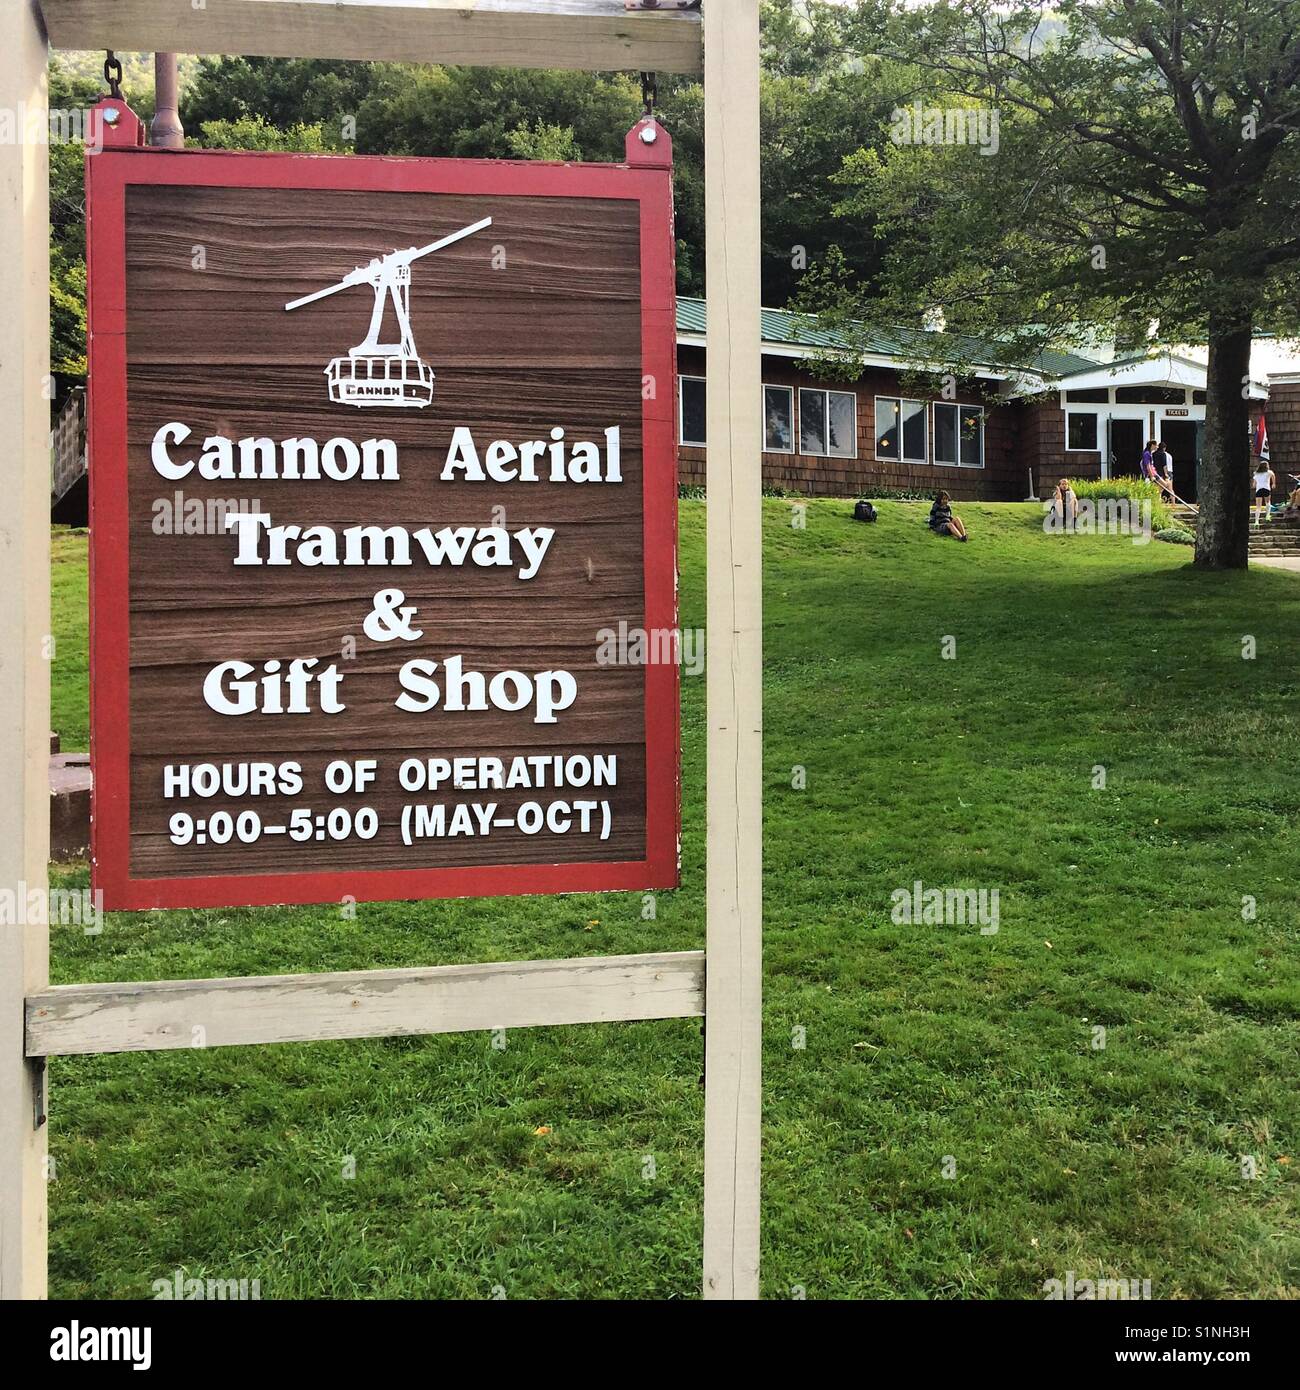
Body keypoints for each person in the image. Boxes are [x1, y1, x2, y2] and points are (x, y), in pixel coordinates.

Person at [1253, 459, 1275, 526]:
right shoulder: (1269, 472)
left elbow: (1254, 484)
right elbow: (1273, 475)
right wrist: (1273, 483)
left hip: (1259, 490)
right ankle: (1267, 515)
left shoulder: (1256, 473)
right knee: (1267, 502)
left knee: (1258, 507)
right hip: (1266, 489)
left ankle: (1256, 522)